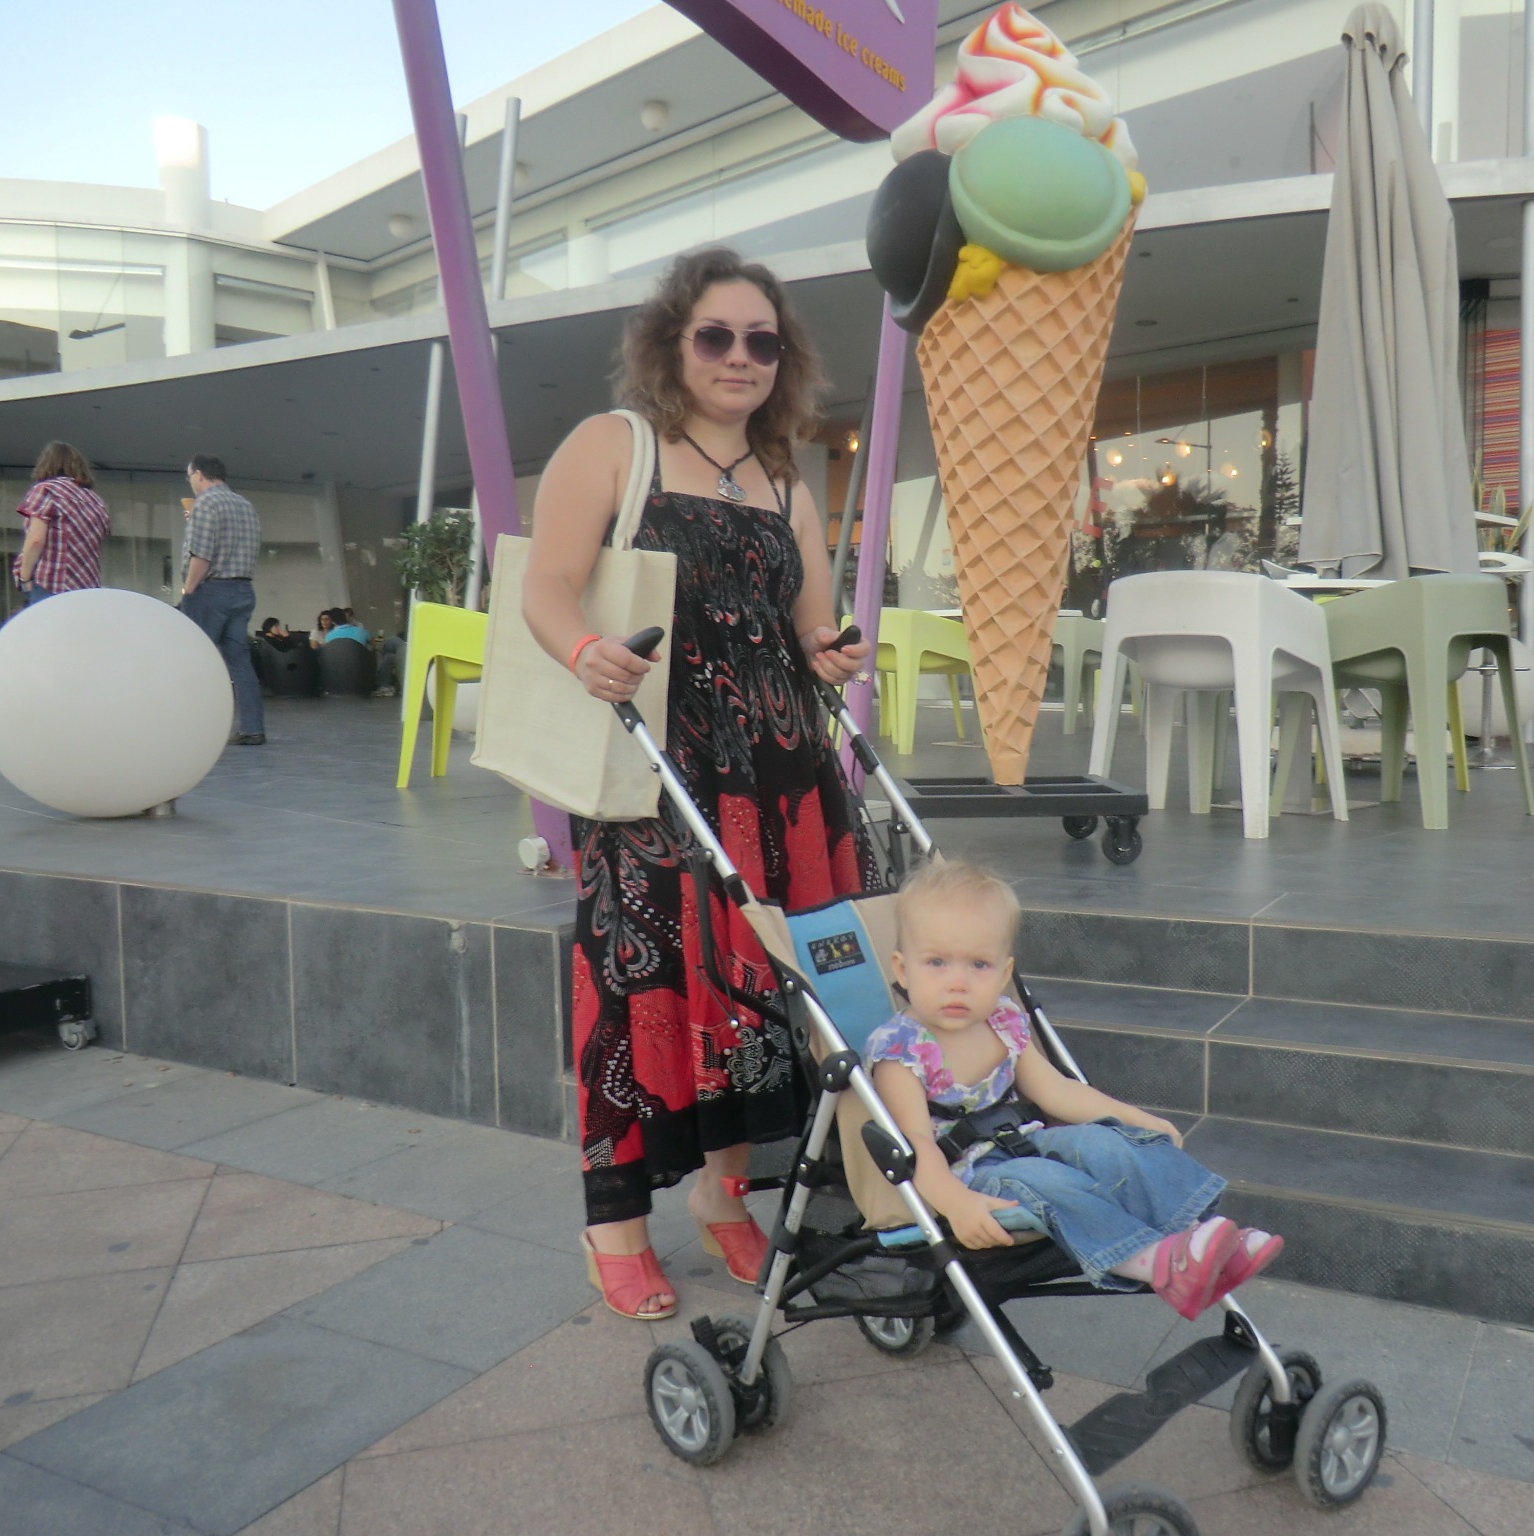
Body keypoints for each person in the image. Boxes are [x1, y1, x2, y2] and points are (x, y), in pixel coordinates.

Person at [524, 246, 878, 1321]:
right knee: (640, 989)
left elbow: (807, 624)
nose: (740, 356)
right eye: (715, 335)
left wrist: (830, 652)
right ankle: (614, 1226)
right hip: (655, 772)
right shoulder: (614, 445)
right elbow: (545, 584)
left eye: (761, 340)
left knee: (758, 986)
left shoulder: (787, 477)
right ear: (670, 343)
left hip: (780, 781)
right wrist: (582, 647)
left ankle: (725, 1196)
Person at [869, 861, 1283, 1319]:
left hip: (1024, 1139)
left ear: (1004, 973)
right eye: (936, 962)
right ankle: (1154, 1262)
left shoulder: (1002, 1022)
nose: (957, 982)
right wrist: (956, 1204)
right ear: (902, 970)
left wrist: (1133, 1118)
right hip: (970, 1174)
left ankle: (1204, 1236)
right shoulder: (901, 1052)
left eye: (979, 964)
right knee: (1052, 1181)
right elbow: (916, 1145)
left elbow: (1056, 1091)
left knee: (1105, 1144)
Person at [179, 454, 266, 746]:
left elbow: (201, 556)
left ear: (199, 474)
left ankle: (193, 728)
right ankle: (253, 728)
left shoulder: (205, 504)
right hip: (242, 590)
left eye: (189, 476)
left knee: (195, 660)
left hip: (210, 591)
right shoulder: (245, 505)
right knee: (240, 662)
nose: (190, 482)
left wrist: (188, 589)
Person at [14, 441, 111, 603]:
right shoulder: (95, 500)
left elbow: (36, 540)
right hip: (87, 587)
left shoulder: (46, 490)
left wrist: (25, 579)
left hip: (51, 584)